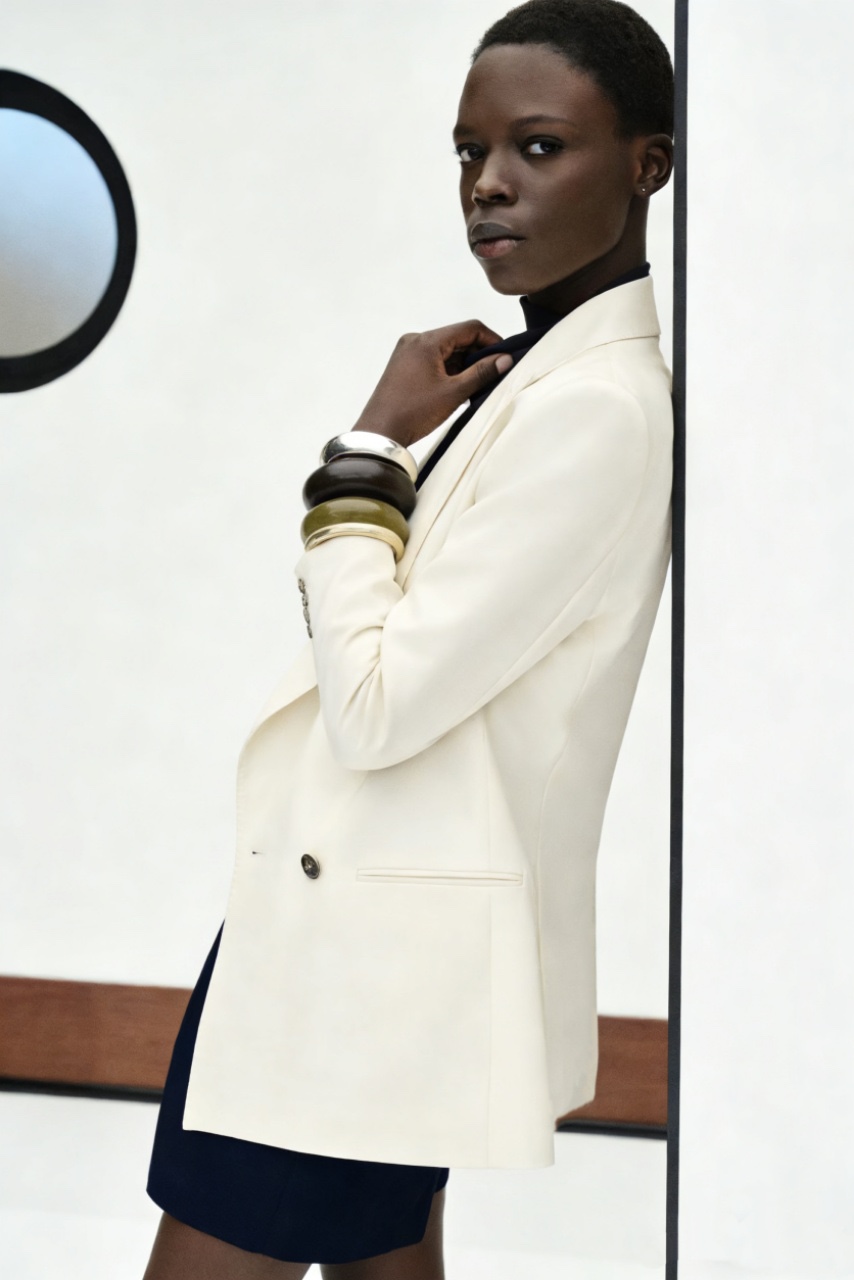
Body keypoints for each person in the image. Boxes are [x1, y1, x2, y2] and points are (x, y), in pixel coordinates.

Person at [143, 1, 674, 1276]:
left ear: (645, 164)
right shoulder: (533, 383)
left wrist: (366, 452)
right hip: (356, 922)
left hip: (371, 952)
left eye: (537, 146)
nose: (487, 183)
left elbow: (374, 701)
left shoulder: (595, 410)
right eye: (468, 151)